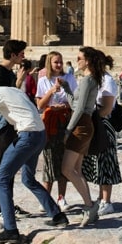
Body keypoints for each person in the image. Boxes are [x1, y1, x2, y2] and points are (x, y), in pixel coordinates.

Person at [0, 72, 68, 243]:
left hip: (27, 136)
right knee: (28, 178)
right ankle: (57, 215)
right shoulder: (13, 90)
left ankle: (10, 230)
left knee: (1, 179)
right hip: (39, 134)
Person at [0, 39, 28, 218]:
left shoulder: (8, 72)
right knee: (4, 164)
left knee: (9, 165)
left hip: (9, 123)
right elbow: (0, 99)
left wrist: (19, 80)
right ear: (13, 55)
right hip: (1, 126)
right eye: (21, 53)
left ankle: (6, 203)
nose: (24, 56)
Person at [62, 47, 104, 226]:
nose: (76, 60)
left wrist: (68, 130)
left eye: (79, 58)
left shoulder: (88, 80)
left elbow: (79, 109)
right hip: (83, 123)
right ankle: (90, 207)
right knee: (76, 170)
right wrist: (66, 89)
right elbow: (75, 104)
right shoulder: (88, 80)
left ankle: (90, 206)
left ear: (87, 61)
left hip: (81, 125)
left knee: (66, 168)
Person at [81, 51, 122, 217]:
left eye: (81, 59)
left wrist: (93, 119)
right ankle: (100, 197)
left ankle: (107, 201)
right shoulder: (95, 79)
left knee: (105, 161)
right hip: (94, 122)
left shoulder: (107, 80)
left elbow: (106, 108)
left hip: (103, 124)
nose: (79, 61)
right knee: (97, 161)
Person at [35, 51, 77, 211]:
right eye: (55, 62)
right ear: (49, 64)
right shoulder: (43, 81)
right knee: (49, 160)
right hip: (49, 123)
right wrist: (52, 91)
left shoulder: (70, 78)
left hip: (65, 121)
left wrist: (65, 105)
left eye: (60, 62)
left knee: (63, 160)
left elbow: (75, 101)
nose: (59, 65)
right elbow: (40, 105)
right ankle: (46, 199)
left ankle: (61, 198)